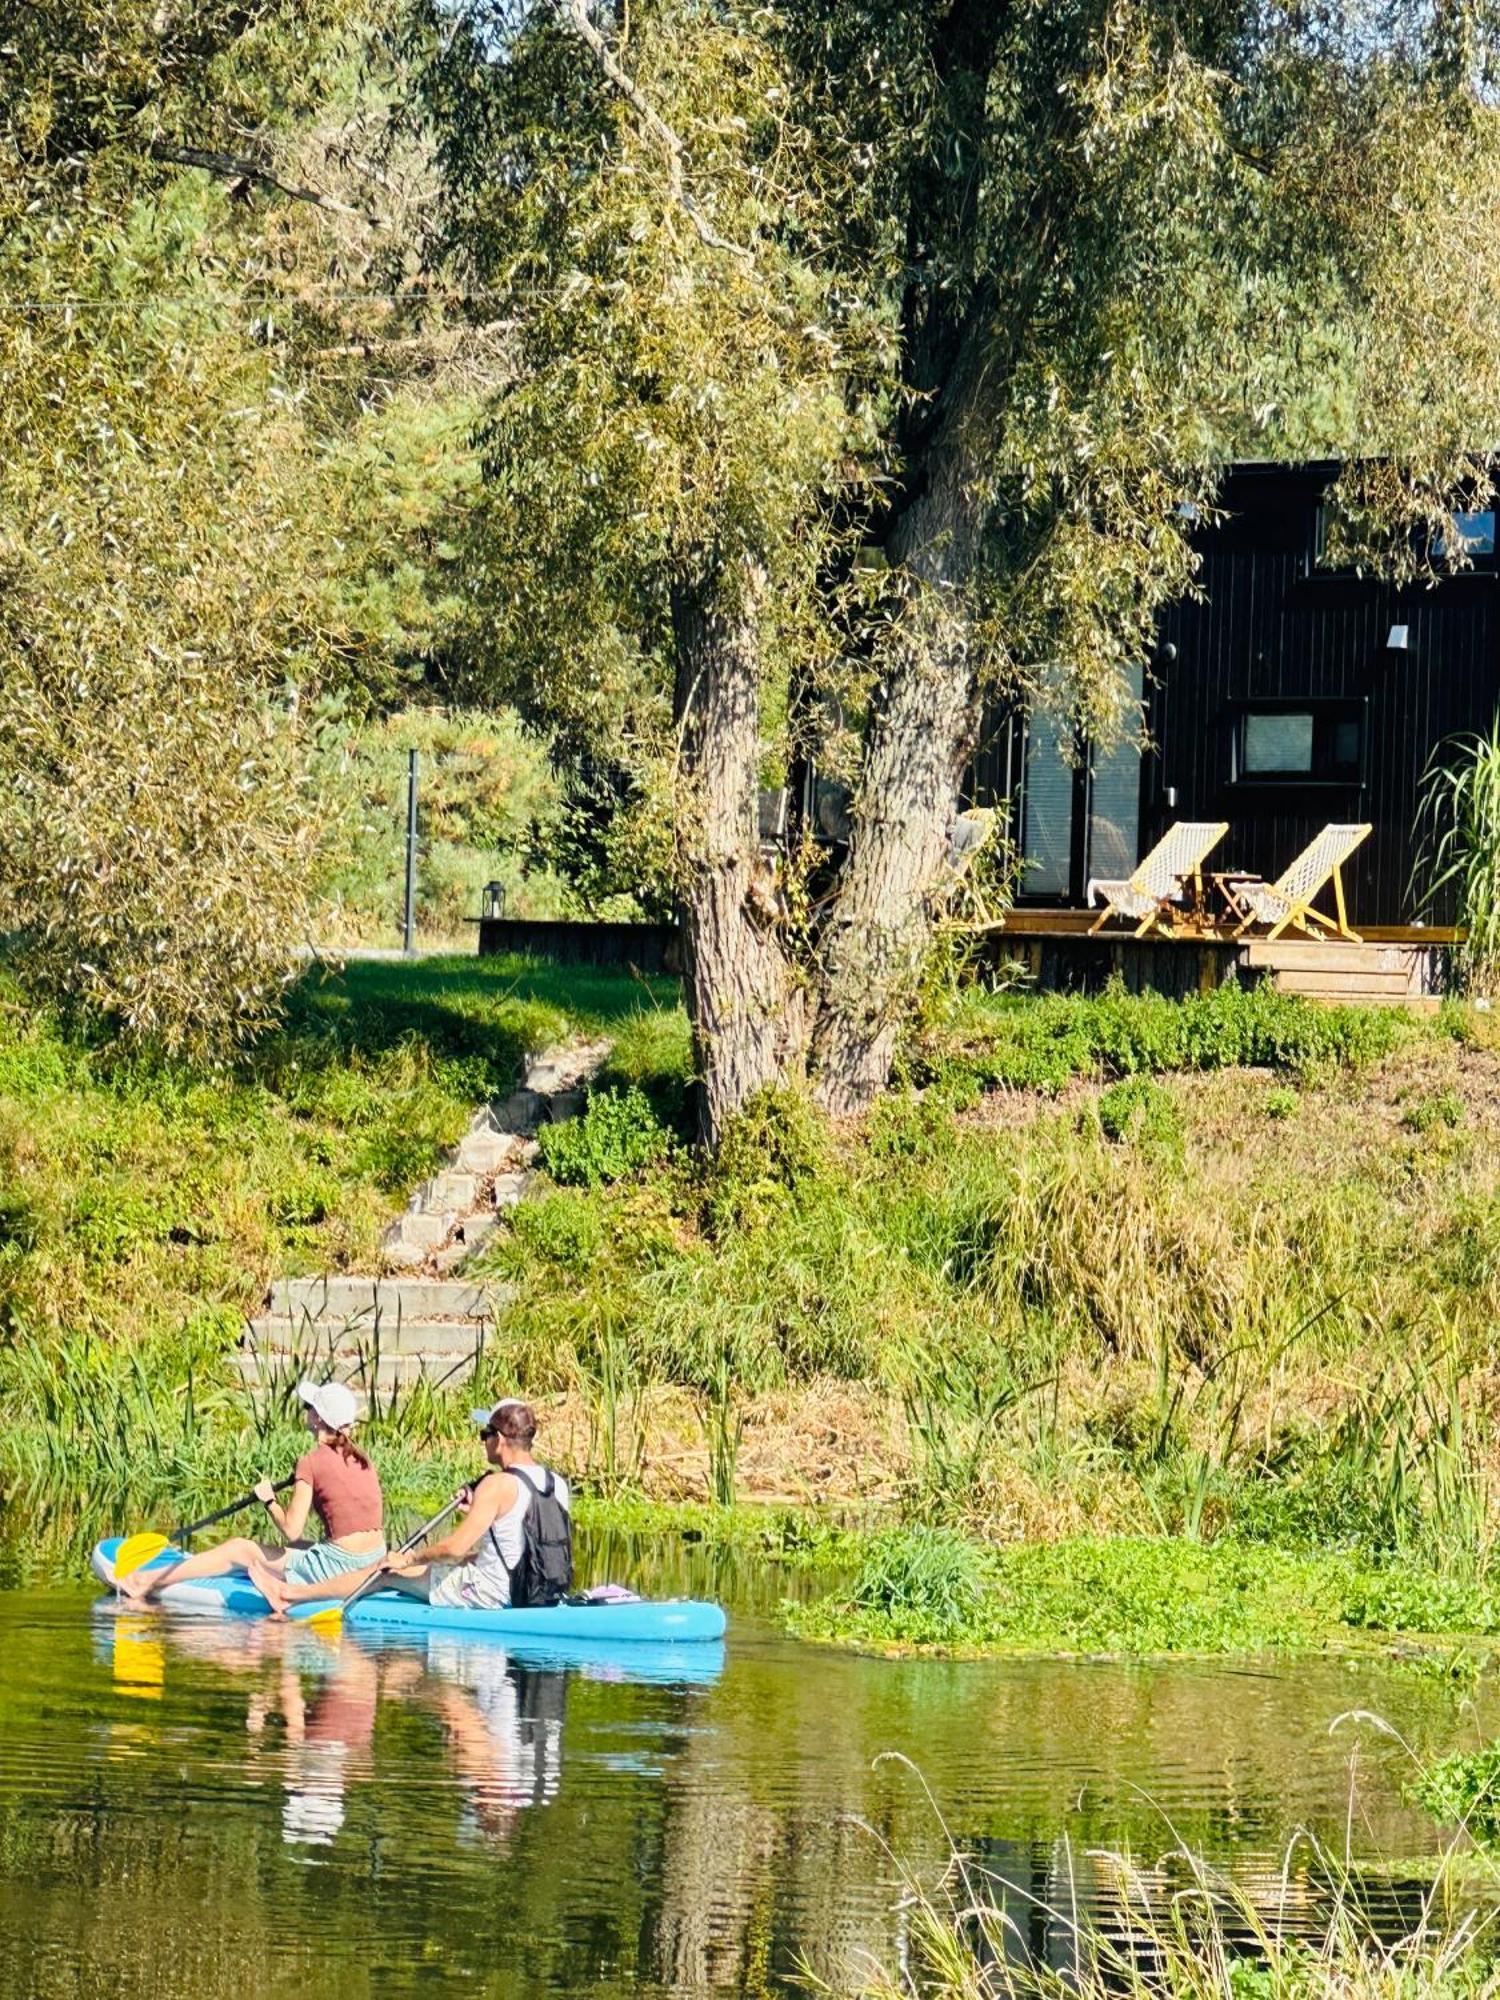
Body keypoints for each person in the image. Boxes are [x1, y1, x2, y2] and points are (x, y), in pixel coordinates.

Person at [256, 1399, 569, 1616]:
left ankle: (289, 1595)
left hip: (495, 1595)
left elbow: (456, 1548)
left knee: (383, 1571)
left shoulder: (496, 1484)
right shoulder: (557, 1482)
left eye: (485, 1435)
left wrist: (407, 1558)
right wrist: (479, 1514)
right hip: (542, 1590)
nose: (483, 1441)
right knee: (435, 1567)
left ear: (500, 1440)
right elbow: (521, 1540)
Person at [118, 1380, 385, 1602]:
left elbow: (292, 1529)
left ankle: (144, 1581)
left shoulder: (311, 1461)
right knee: (299, 1547)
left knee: (240, 1549)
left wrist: (269, 1500)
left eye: (308, 1407)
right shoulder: (363, 1459)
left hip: (340, 1566)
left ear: (317, 1418)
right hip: (373, 1558)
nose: (307, 1412)